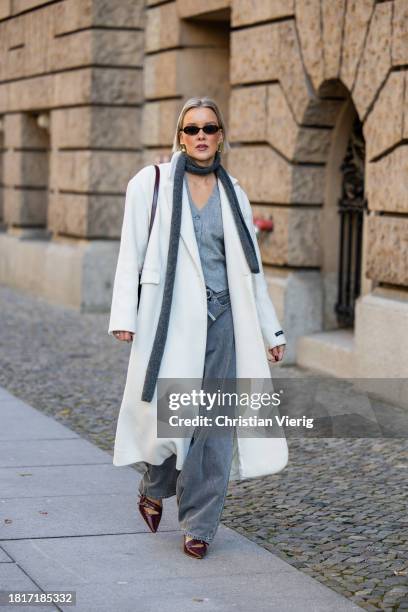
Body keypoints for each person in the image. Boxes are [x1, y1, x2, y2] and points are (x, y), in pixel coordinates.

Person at [108, 96, 288, 559]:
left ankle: (200, 524)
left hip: (226, 319)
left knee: (215, 426)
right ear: (180, 136)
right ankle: (154, 483)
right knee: (174, 417)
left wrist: (271, 332)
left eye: (209, 128)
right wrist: (125, 316)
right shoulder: (149, 184)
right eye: (192, 129)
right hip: (172, 319)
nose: (201, 136)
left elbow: (253, 271)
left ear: (221, 135)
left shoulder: (236, 193)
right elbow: (131, 251)